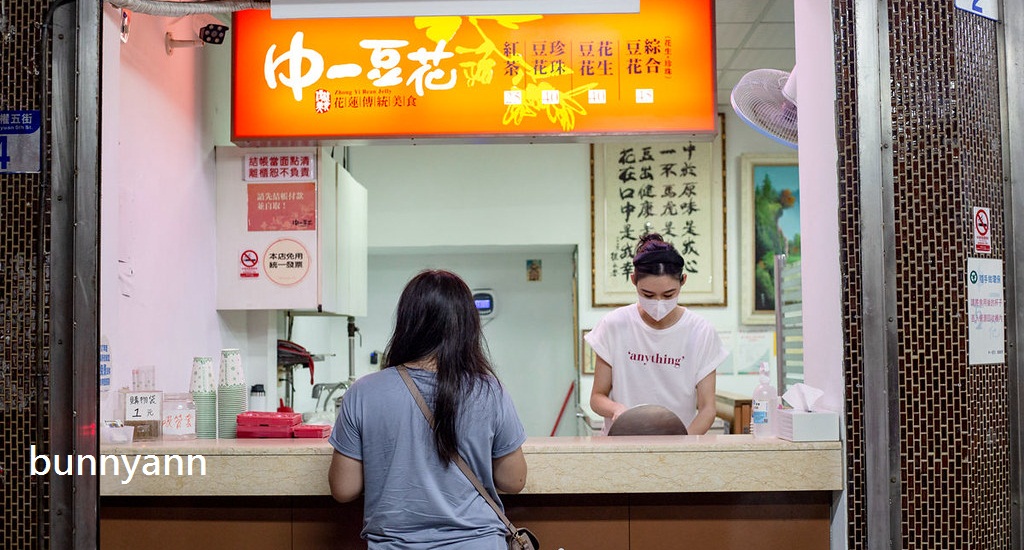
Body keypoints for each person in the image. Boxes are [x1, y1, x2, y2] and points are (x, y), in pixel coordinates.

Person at [328, 269, 528, 549]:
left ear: (406, 323)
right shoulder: (489, 391)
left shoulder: (363, 392)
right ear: (467, 326)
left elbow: (344, 489)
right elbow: (514, 479)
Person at [588, 234, 728, 435]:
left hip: (678, 448)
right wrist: (617, 410)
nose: (659, 303)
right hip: (622, 445)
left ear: (683, 281)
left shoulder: (700, 332)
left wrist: (681, 445)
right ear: (634, 281)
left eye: (669, 295)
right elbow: (597, 397)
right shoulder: (614, 325)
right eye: (648, 295)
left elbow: (707, 408)